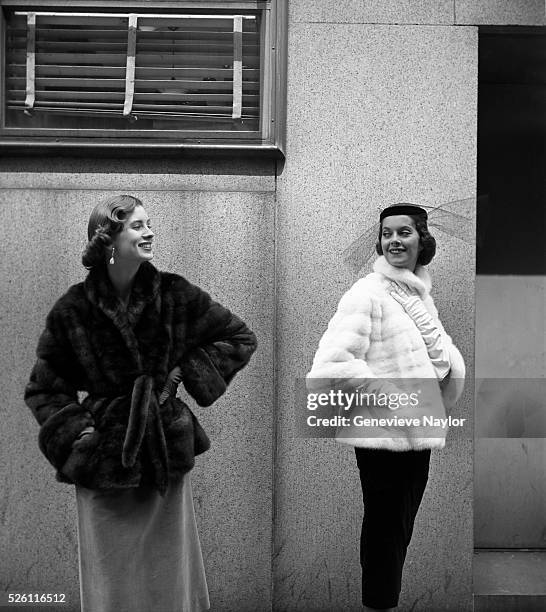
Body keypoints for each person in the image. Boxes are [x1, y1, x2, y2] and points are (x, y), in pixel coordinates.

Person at [24, 194, 257, 612]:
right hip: (102, 462)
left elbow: (239, 337)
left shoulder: (175, 293)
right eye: (136, 225)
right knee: (109, 572)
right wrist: (82, 436)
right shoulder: (73, 309)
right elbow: (44, 388)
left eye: (149, 224)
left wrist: (182, 372)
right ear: (108, 238)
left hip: (162, 448)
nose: (149, 232)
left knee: (168, 571)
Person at [306, 203, 465, 611]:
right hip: (383, 436)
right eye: (387, 233)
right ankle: (379, 606)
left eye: (404, 233)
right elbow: (333, 366)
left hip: (418, 434)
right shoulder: (367, 293)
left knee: (398, 529)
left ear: (421, 240)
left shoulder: (415, 293)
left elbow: (435, 357)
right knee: (384, 531)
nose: (394, 241)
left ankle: (382, 604)